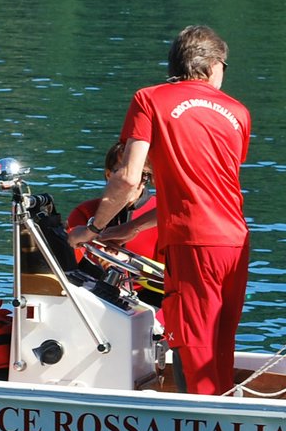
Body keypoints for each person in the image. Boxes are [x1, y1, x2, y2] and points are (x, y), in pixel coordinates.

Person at [68, 26, 250, 395]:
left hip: (192, 245)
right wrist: (134, 227)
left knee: (193, 349)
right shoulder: (239, 113)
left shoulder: (149, 99)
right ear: (213, 65)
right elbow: (205, 189)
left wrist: (92, 227)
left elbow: (127, 179)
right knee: (220, 349)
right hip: (235, 242)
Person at [67, 140, 162, 263]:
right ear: (108, 174)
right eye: (123, 174)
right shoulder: (83, 212)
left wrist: (128, 261)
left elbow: (171, 274)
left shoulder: (164, 214)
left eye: (143, 175)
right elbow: (70, 263)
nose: (134, 182)